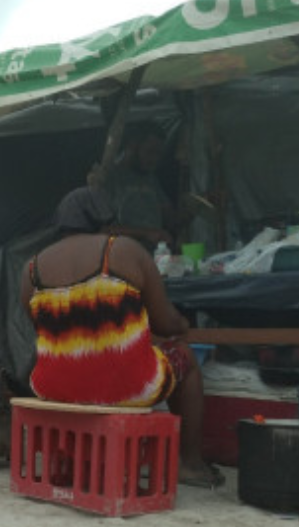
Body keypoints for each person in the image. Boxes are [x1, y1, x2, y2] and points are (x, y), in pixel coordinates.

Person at [19, 186, 223, 489]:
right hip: (127, 386)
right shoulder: (122, 250)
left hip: (53, 388)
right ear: (103, 220)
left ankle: (75, 460)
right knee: (186, 358)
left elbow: (45, 329)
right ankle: (191, 464)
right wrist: (181, 324)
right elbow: (165, 323)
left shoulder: (31, 269)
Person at [99, 121, 179, 250]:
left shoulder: (150, 178)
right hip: (122, 255)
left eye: (159, 154)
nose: (154, 159)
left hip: (153, 256)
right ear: (132, 145)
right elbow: (103, 229)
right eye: (150, 151)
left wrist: (196, 206)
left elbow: (170, 219)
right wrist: (146, 233)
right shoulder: (109, 178)